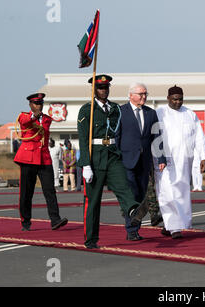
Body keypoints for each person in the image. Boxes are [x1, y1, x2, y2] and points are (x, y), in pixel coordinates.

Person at [77, 75, 140, 248]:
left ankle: (133, 209)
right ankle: (91, 239)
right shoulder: (86, 110)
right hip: (95, 156)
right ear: (94, 90)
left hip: (112, 154)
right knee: (93, 201)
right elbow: (83, 138)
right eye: (100, 87)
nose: (104, 90)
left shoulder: (115, 109)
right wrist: (85, 164)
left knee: (123, 186)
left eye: (106, 87)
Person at [154, 85, 205, 239]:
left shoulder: (190, 114)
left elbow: (199, 137)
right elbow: (154, 136)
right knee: (166, 192)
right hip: (165, 160)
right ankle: (174, 228)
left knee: (182, 192)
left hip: (186, 159)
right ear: (168, 99)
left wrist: (204, 157)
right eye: (174, 99)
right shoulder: (159, 113)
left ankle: (172, 225)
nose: (178, 102)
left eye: (180, 99)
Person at [115, 82, 166, 240]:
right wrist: (116, 158)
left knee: (140, 195)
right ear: (130, 95)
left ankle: (132, 223)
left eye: (145, 94)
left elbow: (157, 137)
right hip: (126, 161)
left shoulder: (151, 113)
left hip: (144, 162)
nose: (144, 97)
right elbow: (116, 136)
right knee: (131, 195)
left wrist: (161, 158)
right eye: (140, 94)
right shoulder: (120, 112)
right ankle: (132, 229)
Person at [14, 93, 68, 231]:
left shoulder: (46, 119)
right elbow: (25, 122)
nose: (39, 106)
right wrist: (34, 116)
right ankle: (25, 221)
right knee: (27, 192)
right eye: (36, 104)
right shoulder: (23, 116)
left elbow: (43, 125)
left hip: (44, 159)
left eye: (41, 104)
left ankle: (55, 219)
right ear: (30, 105)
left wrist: (38, 117)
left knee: (50, 190)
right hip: (28, 158)